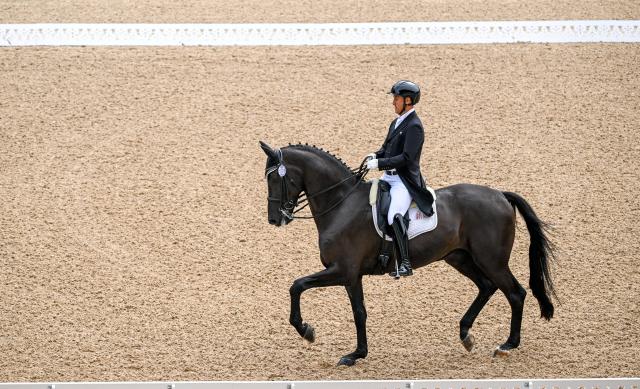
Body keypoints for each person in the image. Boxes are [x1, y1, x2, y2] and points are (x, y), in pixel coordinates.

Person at [365, 80, 434, 278]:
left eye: (396, 98)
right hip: (388, 177)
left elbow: (406, 158)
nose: (393, 102)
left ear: (408, 101)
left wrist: (380, 164)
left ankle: (404, 262)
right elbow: (386, 149)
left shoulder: (414, 126)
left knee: (394, 214)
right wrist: (375, 156)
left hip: (404, 181)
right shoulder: (396, 122)